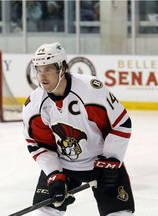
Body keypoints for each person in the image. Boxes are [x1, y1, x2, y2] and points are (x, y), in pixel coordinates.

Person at [22, 42, 135, 216]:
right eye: (39, 70)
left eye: (48, 69)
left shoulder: (91, 90)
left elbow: (121, 123)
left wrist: (111, 162)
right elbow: (37, 144)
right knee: (44, 213)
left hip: (101, 162)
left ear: (62, 68)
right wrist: (53, 173)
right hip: (63, 165)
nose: (42, 76)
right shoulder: (35, 104)